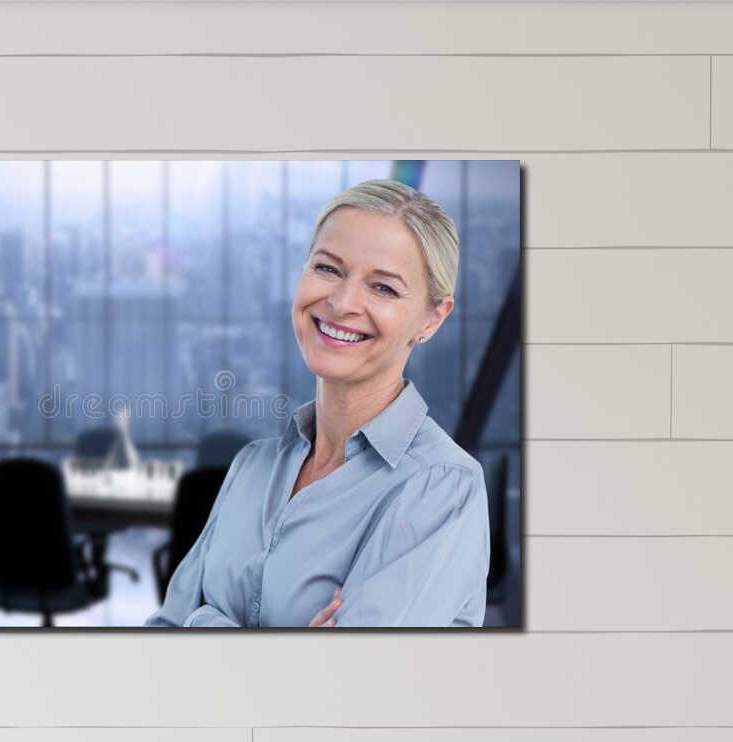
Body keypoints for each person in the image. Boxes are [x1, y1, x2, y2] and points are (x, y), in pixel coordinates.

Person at [148, 179, 489, 628]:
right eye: (328, 269)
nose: (343, 302)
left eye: (383, 288)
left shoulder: (442, 487)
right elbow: (164, 634)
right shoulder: (252, 467)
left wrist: (207, 620)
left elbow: (342, 687)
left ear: (431, 318)